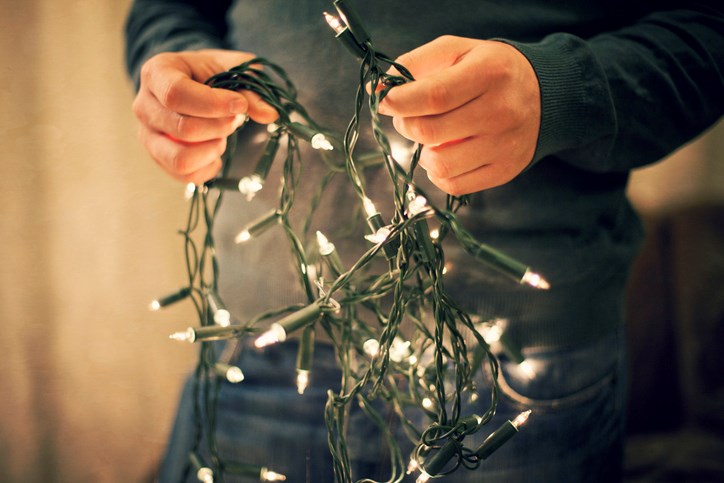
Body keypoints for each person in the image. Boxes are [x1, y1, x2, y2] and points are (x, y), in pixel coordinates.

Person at [125, 1, 724, 482]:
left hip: (514, 371)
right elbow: (169, 9)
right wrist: (166, 67)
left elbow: (705, 29)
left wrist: (556, 91)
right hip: (257, 345)